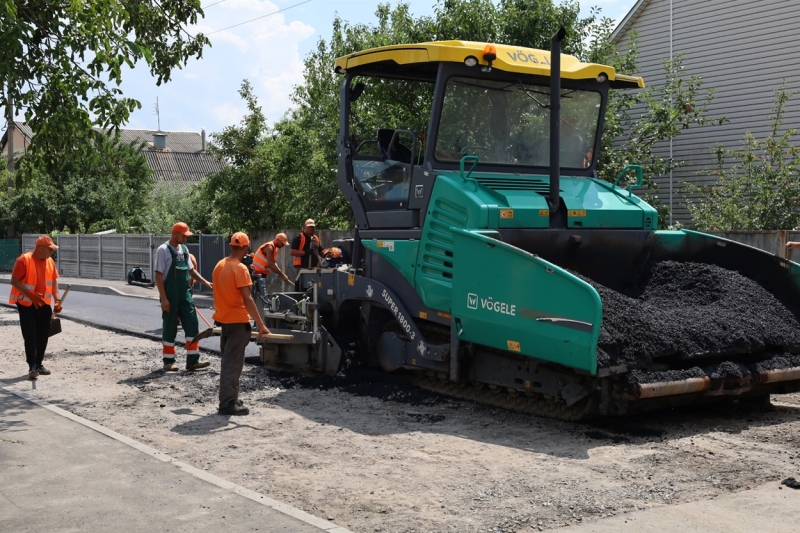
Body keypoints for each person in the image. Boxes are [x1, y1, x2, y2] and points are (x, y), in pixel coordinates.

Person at [212, 232, 270, 416]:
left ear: (231, 246)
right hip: (238, 322)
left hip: (224, 320)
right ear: (245, 248)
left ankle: (231, 397)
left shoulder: (219, 266)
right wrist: (261, 324)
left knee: (230, 361)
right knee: (232, 363)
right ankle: (227, 403)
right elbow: (248, 299)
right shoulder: (241, 269)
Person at [154, 222, 213, 372]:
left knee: (192, 324)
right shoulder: (163, 250)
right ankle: (168, 361)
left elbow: (191, 272)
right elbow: (158, 276)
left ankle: (193, 361)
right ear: (174, 234)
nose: (186, 238)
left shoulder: (185, 250)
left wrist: (205, 282)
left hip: (185, 293)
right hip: (170, 294)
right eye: (184, 235)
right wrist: (164, 299)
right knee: (170, 327)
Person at [9, 235, 62, 379]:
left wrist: (57, 300)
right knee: (30, 335)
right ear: (41, 248)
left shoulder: (50, 262)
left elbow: (53, 282)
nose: (52, 252)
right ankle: (32, 366)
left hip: (44, 305)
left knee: (43, 335)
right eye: (50, 249)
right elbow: (14, 280)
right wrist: (30, 294)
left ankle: (39, 364)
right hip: (26, 305)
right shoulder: (23, 260)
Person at [252, 233, 292, 303]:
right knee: (262, 297)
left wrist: (279, 272)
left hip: (261, 273)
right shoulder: (269, 247)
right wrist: (282, 275)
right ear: (277, 240)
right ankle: (264, 311)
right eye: (282, 243)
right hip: (257, 273)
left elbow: (273, 263)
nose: (283, 245)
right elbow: (271, 264)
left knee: (261, 296)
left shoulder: (274, 248)